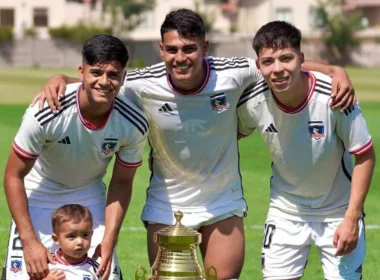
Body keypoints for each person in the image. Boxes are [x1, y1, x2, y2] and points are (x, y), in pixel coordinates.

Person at [33, 9, 356, 279]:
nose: (180, 57)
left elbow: (278, 66)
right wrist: (59, 79)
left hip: (222, 202)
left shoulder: (234, 72)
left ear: (205, 46)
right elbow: (101, 80)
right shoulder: (143, 82)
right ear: (161, 49)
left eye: (189, 49)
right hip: (166, 202)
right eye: (172, 49)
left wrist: (333, 70)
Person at [237, 21, 376, 280]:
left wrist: (352, 218)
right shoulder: (253, 100)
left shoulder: (335, 96)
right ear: (259, 66)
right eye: (268, 62)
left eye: (286, 58)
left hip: (338, 213)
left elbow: (364, 155)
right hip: (285, 212)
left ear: (301, 58)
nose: (277, 69)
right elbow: (230, 134)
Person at [3, 34, 148, 280]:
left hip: (89, 194)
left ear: (123, 77)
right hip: (40, 193)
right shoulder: (46, 111)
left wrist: (109, 239)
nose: (104, 82)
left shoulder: (133, 123)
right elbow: (13, 176)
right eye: (96, 73)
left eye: (113, 75)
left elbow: (122, 182)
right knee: (31, 274)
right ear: (81, 72)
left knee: (104, 274)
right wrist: (29, 241)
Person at [43, 204, 100, 280]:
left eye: (85, 235)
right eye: (72, 236)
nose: (80, 242)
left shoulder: (95, 268)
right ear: (56, 239)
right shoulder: (47, 264)